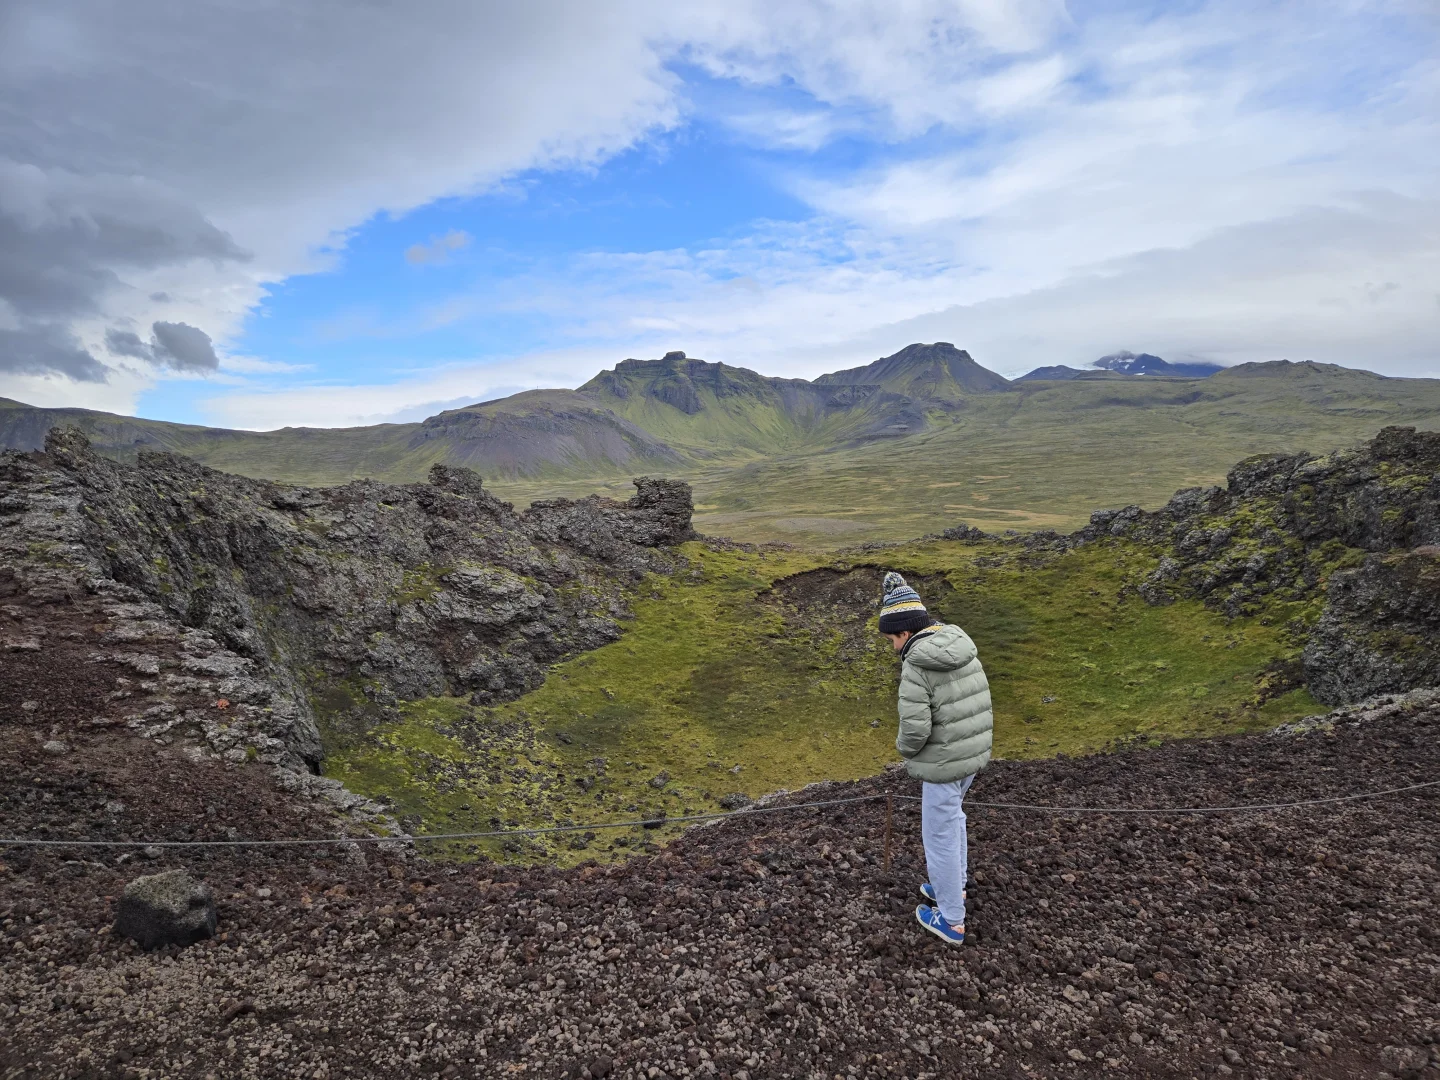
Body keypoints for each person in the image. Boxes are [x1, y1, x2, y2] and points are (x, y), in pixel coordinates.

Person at [877, 571, 993, 946]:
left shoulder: (916, 664)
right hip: (969, 755)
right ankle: (953, 890)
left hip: (943, 763)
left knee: (939, 836)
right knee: (954, 821)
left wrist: (904, 751)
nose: (894, 647)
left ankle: (952, 921)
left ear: (906, 633)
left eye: (893, 638)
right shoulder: (957, 643)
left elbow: (914, 731)